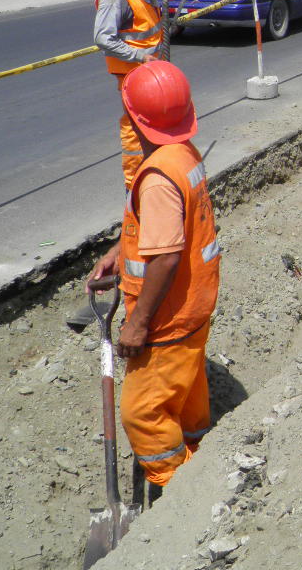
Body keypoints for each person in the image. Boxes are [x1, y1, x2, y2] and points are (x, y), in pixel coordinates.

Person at [87, 59, 219, 488]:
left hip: (167, 319)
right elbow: (165, 229)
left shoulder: (157, 178)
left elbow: (165, 257)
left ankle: (180, 489)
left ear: (137, 120)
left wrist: (138, 324)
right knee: (187, 389)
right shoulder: (182, 154)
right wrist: (120, 251)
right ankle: (198, 449)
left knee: (143, 411)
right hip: (194, 304)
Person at [95, 0, 168, 190]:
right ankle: (135, 185)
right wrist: (140, 58)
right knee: (136, 130)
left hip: (151, 73)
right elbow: (103, 38)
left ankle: (155, 176)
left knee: (155, 126)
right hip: (133, 75)